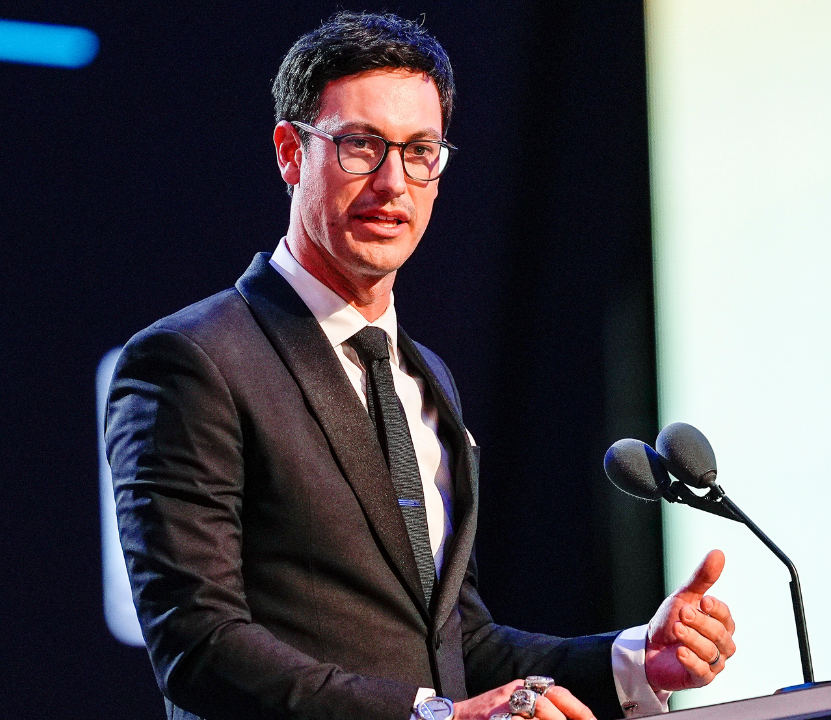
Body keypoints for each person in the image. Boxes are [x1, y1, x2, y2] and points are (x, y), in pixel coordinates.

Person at [105, 12, 736, 720]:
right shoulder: (192, 361)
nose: (392, 182)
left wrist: (632, 661)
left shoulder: (425, 377)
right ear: (290, 152)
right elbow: (199, 646)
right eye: (360, 145)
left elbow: (456, 645)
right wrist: (431, 716)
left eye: (419, 150)